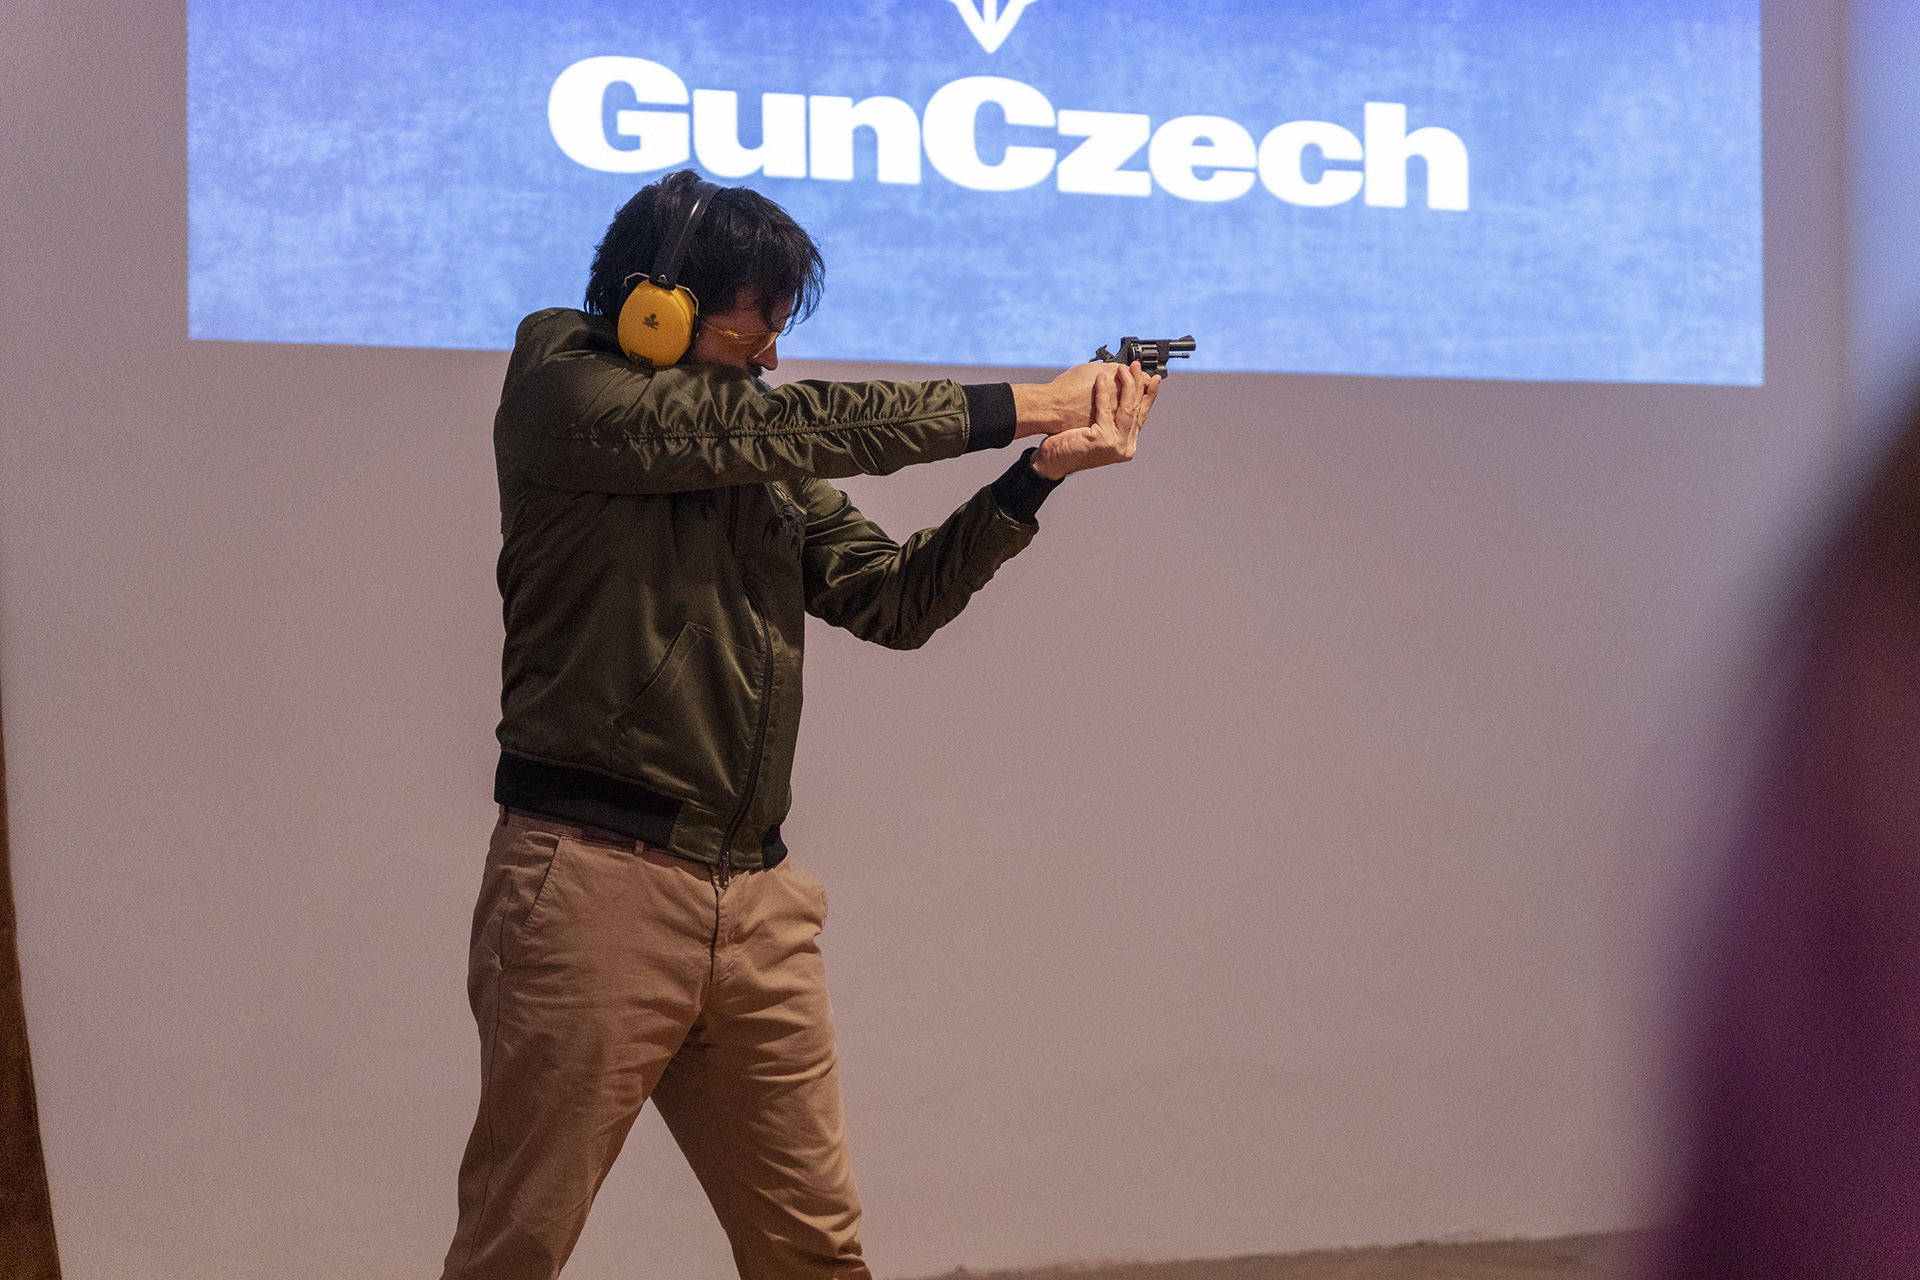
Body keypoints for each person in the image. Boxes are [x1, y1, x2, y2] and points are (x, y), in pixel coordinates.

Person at [439, 169, 1161, 1280]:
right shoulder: (561, 385)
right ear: (654, 307)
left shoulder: (757, 460)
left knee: (816, 1251)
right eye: (754, 328)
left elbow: (896, 601)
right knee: (514, 1248)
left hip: (756, 901)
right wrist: (1034, 400)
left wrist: (1031, 480)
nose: (772, 357)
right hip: (593, 883)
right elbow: (806, 423)